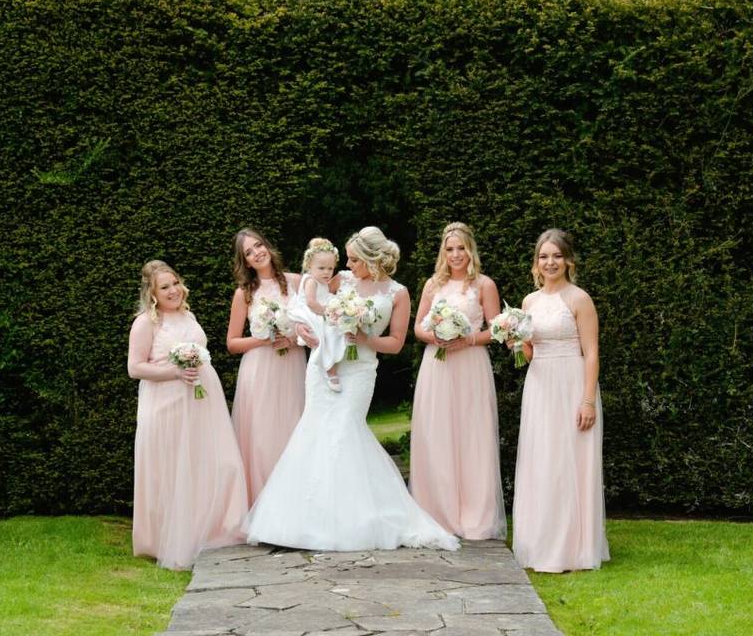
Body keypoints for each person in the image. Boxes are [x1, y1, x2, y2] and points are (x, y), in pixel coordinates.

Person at [243, 226, 459, 552]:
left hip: (359, 370)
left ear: (372, 259)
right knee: (314, 431)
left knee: (345, 431)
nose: (348, 264)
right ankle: (307, 520)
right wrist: (305, 330)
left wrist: (364, 338)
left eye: (354, 259)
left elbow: (396, 343)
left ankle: (352, 520)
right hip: (323, 365)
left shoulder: (397, 293)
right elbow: (308, 298)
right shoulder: (341, 280)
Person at [127, 260, 248, 570]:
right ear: (152, 294)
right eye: (164, 287)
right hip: (165, 403)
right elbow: (135, 368)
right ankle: (167, 539)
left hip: (202, 400)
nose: (173, 290)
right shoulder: (146, 322)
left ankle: (210, 528)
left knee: (215, 462)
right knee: (171, 468)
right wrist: (175, 372)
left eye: (175, 283)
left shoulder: (189, 316)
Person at [511, 229, 609, 572]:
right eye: (543, 257)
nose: (549, 262)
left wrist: (587, 402)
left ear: (568, 260)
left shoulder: (579, 299)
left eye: (555, 256)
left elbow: (592, 352)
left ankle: (572, 548)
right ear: (536, 263)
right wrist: (514, 342)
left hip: (571, 383)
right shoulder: (528, 302)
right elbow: (529, 352)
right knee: (542, 462)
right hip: (539, 385)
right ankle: (540, 543)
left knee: (570, 464)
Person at [409, 222, 506, 540]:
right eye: (449, 249)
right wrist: (436, 336)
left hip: (470, 365)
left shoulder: (484, 285)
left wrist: (467, 340)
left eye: (461, 248)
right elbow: (418, 328)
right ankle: (438, 512)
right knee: (437, 434)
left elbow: (496, 330)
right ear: (443, 252)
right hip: (437, 367)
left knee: (471, 435)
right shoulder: (432, 285)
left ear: (470, 250)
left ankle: (474, 515)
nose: (455, 255)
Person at [226, 229, 306, 504]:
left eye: (258, 245)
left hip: (292, 365)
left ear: (268, 247)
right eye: (248, 252)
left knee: (294, 429)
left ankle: (295, 502)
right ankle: (263, 504)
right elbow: (232, 343)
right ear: (245, 262)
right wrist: (262, 339)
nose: (256, 253)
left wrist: (293, 338)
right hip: (260, 369)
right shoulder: (245, 293)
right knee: (262, 437)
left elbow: (316, 326)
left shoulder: (296, 281)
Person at [287, 237, 345, 392]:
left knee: (335, 331)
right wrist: (327, 313)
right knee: (328, 333)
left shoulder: (323, 282)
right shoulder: (311, 281)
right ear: (309, 266)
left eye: (330, 268)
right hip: (311, 312)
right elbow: (311, 302)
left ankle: (334, 363)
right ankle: (330, 369)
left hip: (319, 310)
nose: (327, 272)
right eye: (321, 268)